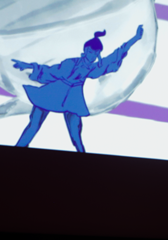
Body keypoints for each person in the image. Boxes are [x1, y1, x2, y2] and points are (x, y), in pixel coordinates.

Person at [12, 25, 144, 152]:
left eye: (95, 53)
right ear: (85, 50)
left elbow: (116, 54)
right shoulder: (70, 63)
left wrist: (136, 38)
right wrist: (27, 65)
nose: (92, 55)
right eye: (90, 51)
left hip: (72, 99)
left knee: (76, 135)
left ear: (98, 54)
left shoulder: (93, 68)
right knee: (33, 126)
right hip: (52, 93)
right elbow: (51, 71)